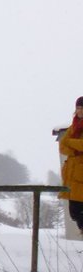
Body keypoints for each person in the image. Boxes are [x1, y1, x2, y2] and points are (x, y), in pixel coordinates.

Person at [59, 97, 83, 232]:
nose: (79, 111)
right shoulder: (74, 126)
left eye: (82, 108)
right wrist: (75, 148)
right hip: (72, 175)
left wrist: (71, 143)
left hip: (81, 174)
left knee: (80, 213)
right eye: (78, 108)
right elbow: (62, 146)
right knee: (75, 213)